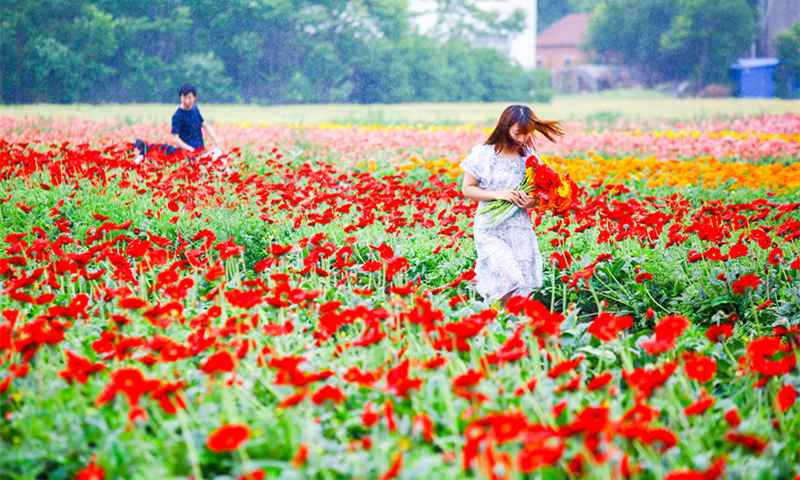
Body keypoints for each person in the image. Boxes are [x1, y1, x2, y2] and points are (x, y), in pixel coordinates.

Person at [460, 105, 564, 306]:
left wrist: (532, 201)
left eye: (527, 134)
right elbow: (467, 189)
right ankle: (496, 321)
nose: (522, 139)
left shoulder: (528, 156)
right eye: (517, 133)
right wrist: (497, 195)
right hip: (490, 228)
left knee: (520, 288)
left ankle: (506, 325)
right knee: (510, 279)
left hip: (519, 230)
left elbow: (537, 194)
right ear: (505, 127)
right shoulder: (484, 154)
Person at [170, 83, 225, 155]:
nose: (187, 101)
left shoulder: (195, 109)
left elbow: (204, 124)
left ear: (195, 97)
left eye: (189, 97)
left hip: (200, 150)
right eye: (184, 97)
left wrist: (216, 139)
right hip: (187, 154)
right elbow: (175, 139)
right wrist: (190, 149)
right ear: (180, 97)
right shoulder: (177, 116)